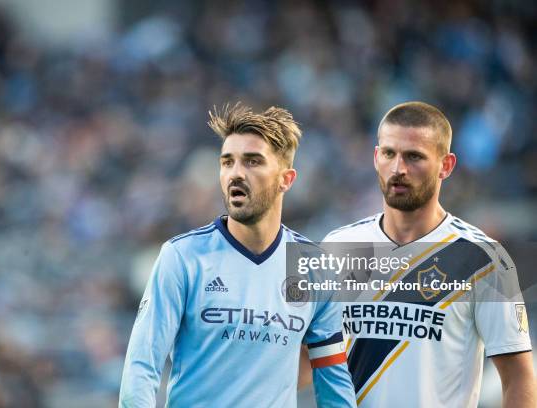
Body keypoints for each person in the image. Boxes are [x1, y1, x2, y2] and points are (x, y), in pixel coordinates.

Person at [119, 103, 356, 407]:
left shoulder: (314, 268)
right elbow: (141, 369)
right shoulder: (183, 257)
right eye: (227, 162)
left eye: (252, 162)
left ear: (286, 179)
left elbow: (333, 382)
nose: (235, 174)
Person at [300, 101, 535, 407]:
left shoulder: (482, 258)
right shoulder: (339, 246)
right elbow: (304, 362)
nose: (398, 169)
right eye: (389, 154)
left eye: (414, 157)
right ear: (375, 157)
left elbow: (518, 376)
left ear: (446, 165)